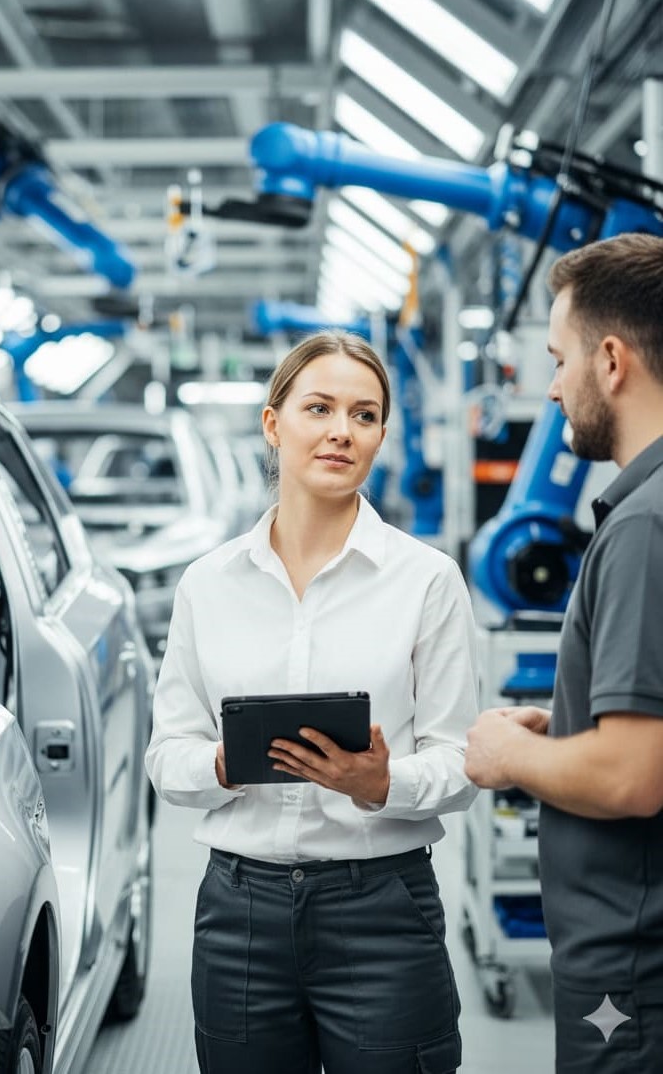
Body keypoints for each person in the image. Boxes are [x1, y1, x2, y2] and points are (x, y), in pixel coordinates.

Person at [145, 331, 478, 1074]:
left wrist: (383, 784)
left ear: (381, 437)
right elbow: (165, 758)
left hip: (383, 911)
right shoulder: (207, 584)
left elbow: (460, 760)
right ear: (273, 424)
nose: (340, 431)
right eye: (318, 408)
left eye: (363, 416)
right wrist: (226, 764)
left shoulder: (426, 582)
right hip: (240, 915)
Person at [465, 232, 663, 1073]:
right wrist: (574, 724)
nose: (549, 388)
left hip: (630, 968)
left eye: (557, 359)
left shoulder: (645, 527)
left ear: (610, 361)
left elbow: (629, 776)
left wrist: (511, 752)